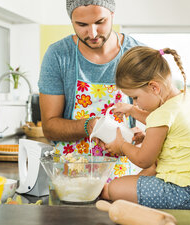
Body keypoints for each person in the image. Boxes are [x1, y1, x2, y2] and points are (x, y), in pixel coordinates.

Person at [103, 46, 190, 210]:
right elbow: (162, 124)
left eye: (135, 98)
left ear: (154, 87)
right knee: (144, 174)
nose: (135, 103)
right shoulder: (184, 99)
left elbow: (144, 160)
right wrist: (132, 111)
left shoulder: (162, 114)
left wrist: (122, 145)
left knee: (115, 187)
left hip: (184, 191)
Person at [38, 0, 144, 181]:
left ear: (112, 15)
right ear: (71, 20)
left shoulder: (136, 54)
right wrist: (90, 126)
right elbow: (49, 128)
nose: (92, 33)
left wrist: (145, 133)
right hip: (69, 174)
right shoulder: (58, 55)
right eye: (82, 25)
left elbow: (161, 114)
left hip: (121, 175)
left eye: (100, 22)